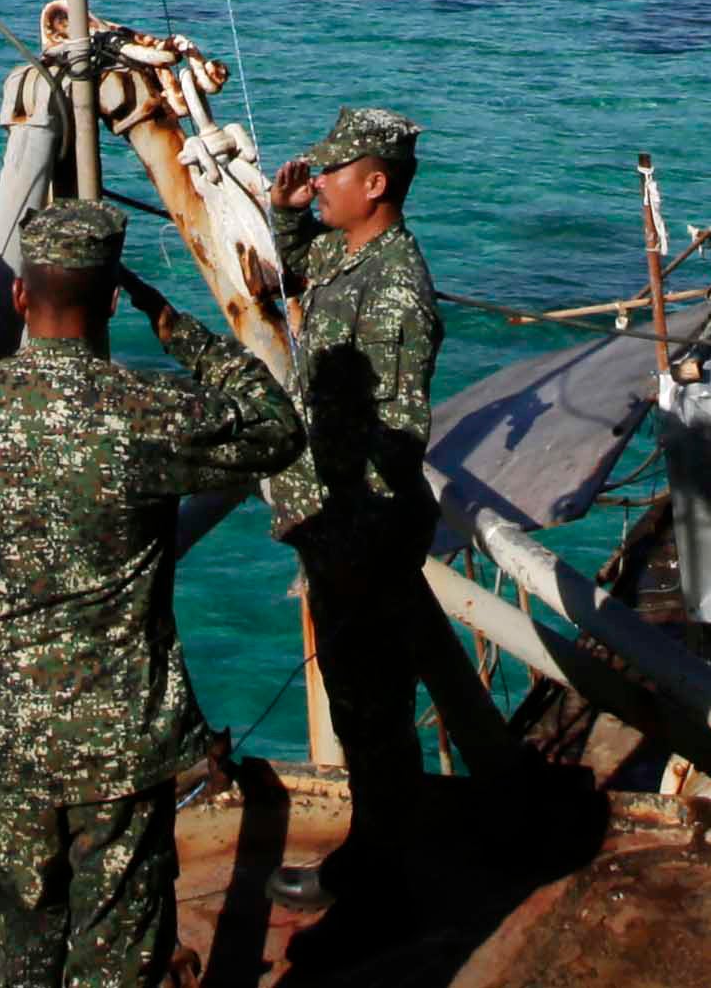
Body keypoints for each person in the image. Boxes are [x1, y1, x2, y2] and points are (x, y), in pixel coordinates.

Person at [0, 198, 302, 988]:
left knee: (9, 956)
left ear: (17, 297)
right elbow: (277, 425)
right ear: (110, 300)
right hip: (122, 744)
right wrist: (178, 330)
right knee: (120, 955)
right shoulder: (145, 414)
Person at [261, 105, 443, 916]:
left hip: (360, 530)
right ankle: (378, 860)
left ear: (376, 184)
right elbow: (299, 269)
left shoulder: (396, 288)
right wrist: (284, 214)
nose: (318, 180)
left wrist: (351, 542)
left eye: (331, 173)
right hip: (334, 523)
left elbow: (398, 436)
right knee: (355, 702)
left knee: (372, 716)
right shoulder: (347, 251)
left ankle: (380, 884)